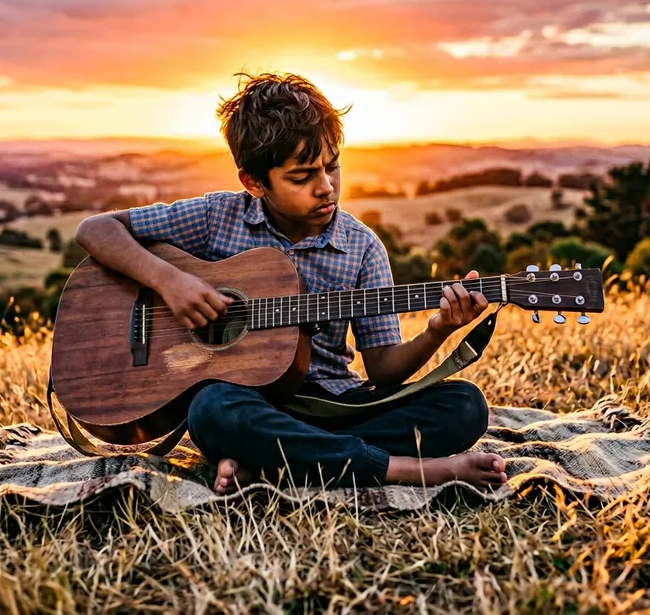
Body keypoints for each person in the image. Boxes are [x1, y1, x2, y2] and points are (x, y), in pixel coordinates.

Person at [74, 72, 507, 494]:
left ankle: (271, 462)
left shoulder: (362, 247)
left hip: (335, 406)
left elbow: (383, 369)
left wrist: (439, 330)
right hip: (249, 404)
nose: (326, 188)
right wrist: (171, 282)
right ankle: (406, 469)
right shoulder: (215, 216)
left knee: (464, 407)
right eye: (302, 177)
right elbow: (96, 230)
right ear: (254, 182)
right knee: (212, 411)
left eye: (332, 167)